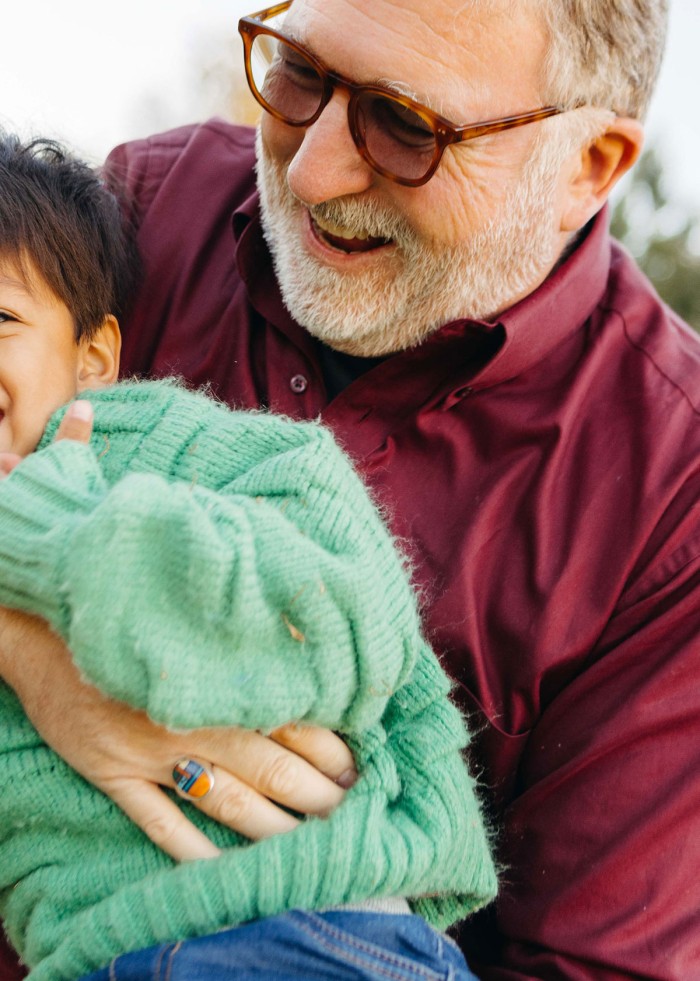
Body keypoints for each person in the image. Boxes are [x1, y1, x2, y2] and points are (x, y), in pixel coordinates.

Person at [1, 0, 699, 976]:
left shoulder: (676, 494)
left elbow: (594, 962)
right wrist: (31, 656)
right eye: (300, 75)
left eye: (406, 126)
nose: (311, 169)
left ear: (588, 167)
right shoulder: (146, 208)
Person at [0, 134, 496, 980]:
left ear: (93, 359)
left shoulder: (171, 449)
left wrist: (52, 532)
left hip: (308, 929)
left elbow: (339, 622)